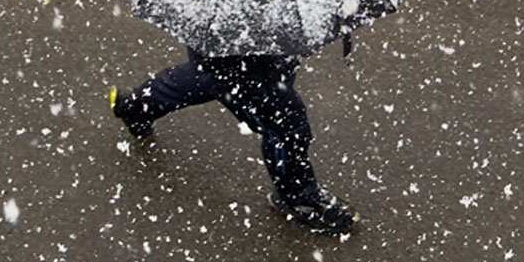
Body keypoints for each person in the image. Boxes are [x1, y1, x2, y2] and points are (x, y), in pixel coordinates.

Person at [111, 46, 358, 233]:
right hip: (250, 64)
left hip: (228, 44)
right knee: (286, 127)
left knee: (204, 73)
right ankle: (296, 193)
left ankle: (136, 106)